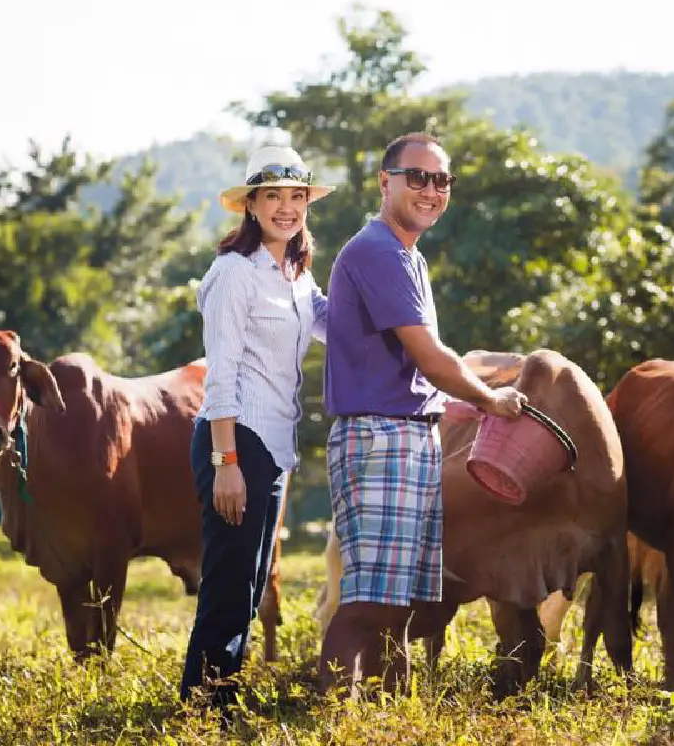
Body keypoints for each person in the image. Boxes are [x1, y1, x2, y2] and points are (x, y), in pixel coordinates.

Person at [318, 131, 527, 692]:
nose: (431, 190)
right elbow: (432, 359)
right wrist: (490, 400)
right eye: (417, 177)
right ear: (385, 182)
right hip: (380, 438)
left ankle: (392, 716)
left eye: (441, 180)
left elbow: (419, 364)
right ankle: (332, 719)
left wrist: (456, 395)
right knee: (366, 604)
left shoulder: (407, 255)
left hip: (408, 436)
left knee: (397, 609)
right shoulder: (376, 251)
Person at [180, 144, 335, 713]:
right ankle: (203, 707)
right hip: (235, 439)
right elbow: (219, 375)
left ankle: (224, 693)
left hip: (273, 446)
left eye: (298, 197)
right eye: (274, 197)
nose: (288, 208)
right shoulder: (233, 274)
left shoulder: (293, 274)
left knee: (248, 587)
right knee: (227, 586)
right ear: (251, 205)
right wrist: (226, 464)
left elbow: (331, 323)